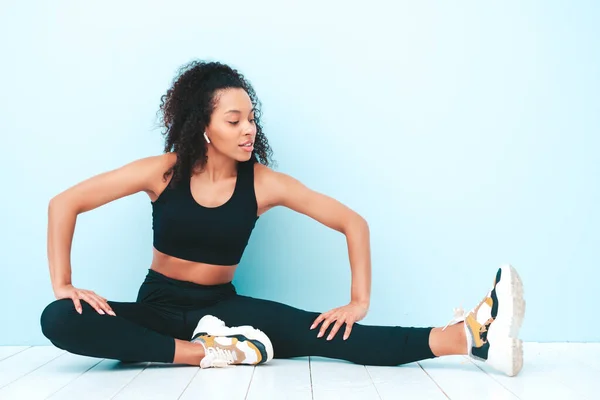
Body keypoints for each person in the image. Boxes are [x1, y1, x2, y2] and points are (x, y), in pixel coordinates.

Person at [40, 60, 526, 375]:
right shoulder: (163, 172)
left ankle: (469, 336)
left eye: (251, 118)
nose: (248, 129)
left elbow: (352, 222)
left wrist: (358, 301)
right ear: (203, 128)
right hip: (158, 308)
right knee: (59, 318)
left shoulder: (265, 183)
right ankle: (205, 354)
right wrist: (65, 284)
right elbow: (64, 203)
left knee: (331, 335)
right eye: (234, 121)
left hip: (222, 313)